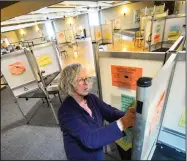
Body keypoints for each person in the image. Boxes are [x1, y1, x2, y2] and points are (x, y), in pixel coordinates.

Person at [58, 63, 135, 160]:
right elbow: (90, 139)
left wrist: (131, 116)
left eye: (86, 79)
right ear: (69, 83)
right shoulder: (66, 112)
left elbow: (111, 112)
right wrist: (124, 122)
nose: (86, 83)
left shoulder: (91, 98)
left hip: (97, 152)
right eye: (80, 80)